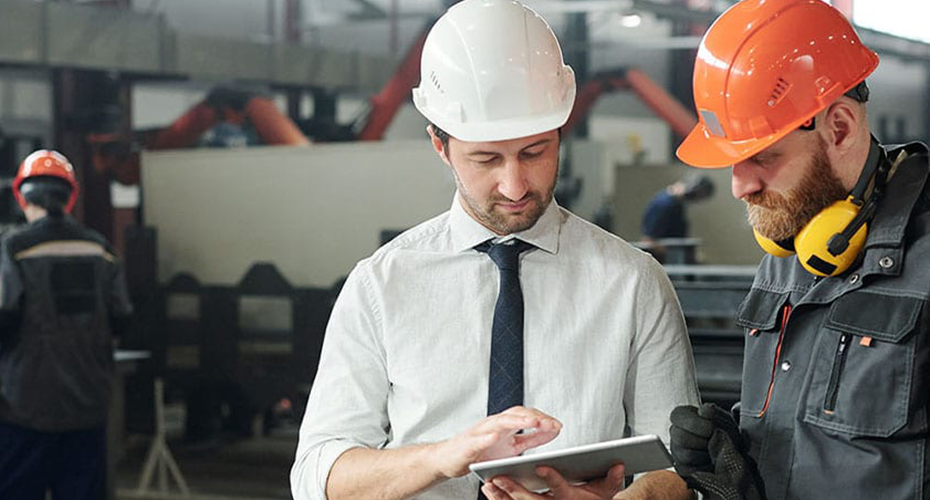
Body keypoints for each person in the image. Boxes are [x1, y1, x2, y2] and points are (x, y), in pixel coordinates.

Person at [290, 1, 699, 500]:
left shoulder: (633, 283)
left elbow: (681, 469)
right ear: (440, 146)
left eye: (535, 152)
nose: (514, 185)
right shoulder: (382, 284)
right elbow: (318, 476)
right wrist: (446, 456)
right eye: (486, 158)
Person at [668, 1, 930, 499]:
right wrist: (734, 455)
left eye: (761, 157)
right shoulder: (787, 253)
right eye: (732, 162)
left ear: (839, 128)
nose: (739, 187)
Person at [0, 150, 133, 500]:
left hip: (25, 407)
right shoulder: (101, 249)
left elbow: (1, 320)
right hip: (88, 407)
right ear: (70, 196)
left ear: (21, 195)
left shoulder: (14, 247)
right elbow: (122, 318)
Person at [640, 175, 714, 263]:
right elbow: (649, 241)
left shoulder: (677, 204)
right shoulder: (663, 204)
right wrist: (676, 254)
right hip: (664, 261)